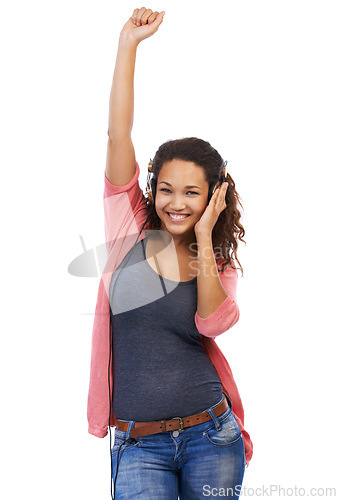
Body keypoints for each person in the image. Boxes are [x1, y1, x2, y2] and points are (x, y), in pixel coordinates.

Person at [87, 7, 253, 499]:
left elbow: (212, 323)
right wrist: (127, 47)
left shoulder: (218, 261)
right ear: (153, 187)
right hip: (138, 444)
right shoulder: (128, 231)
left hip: (211, 434)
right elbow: (119, 136)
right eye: (167, 189)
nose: (176, 203)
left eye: (192, 193)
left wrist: (203, 239)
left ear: (212, 197)